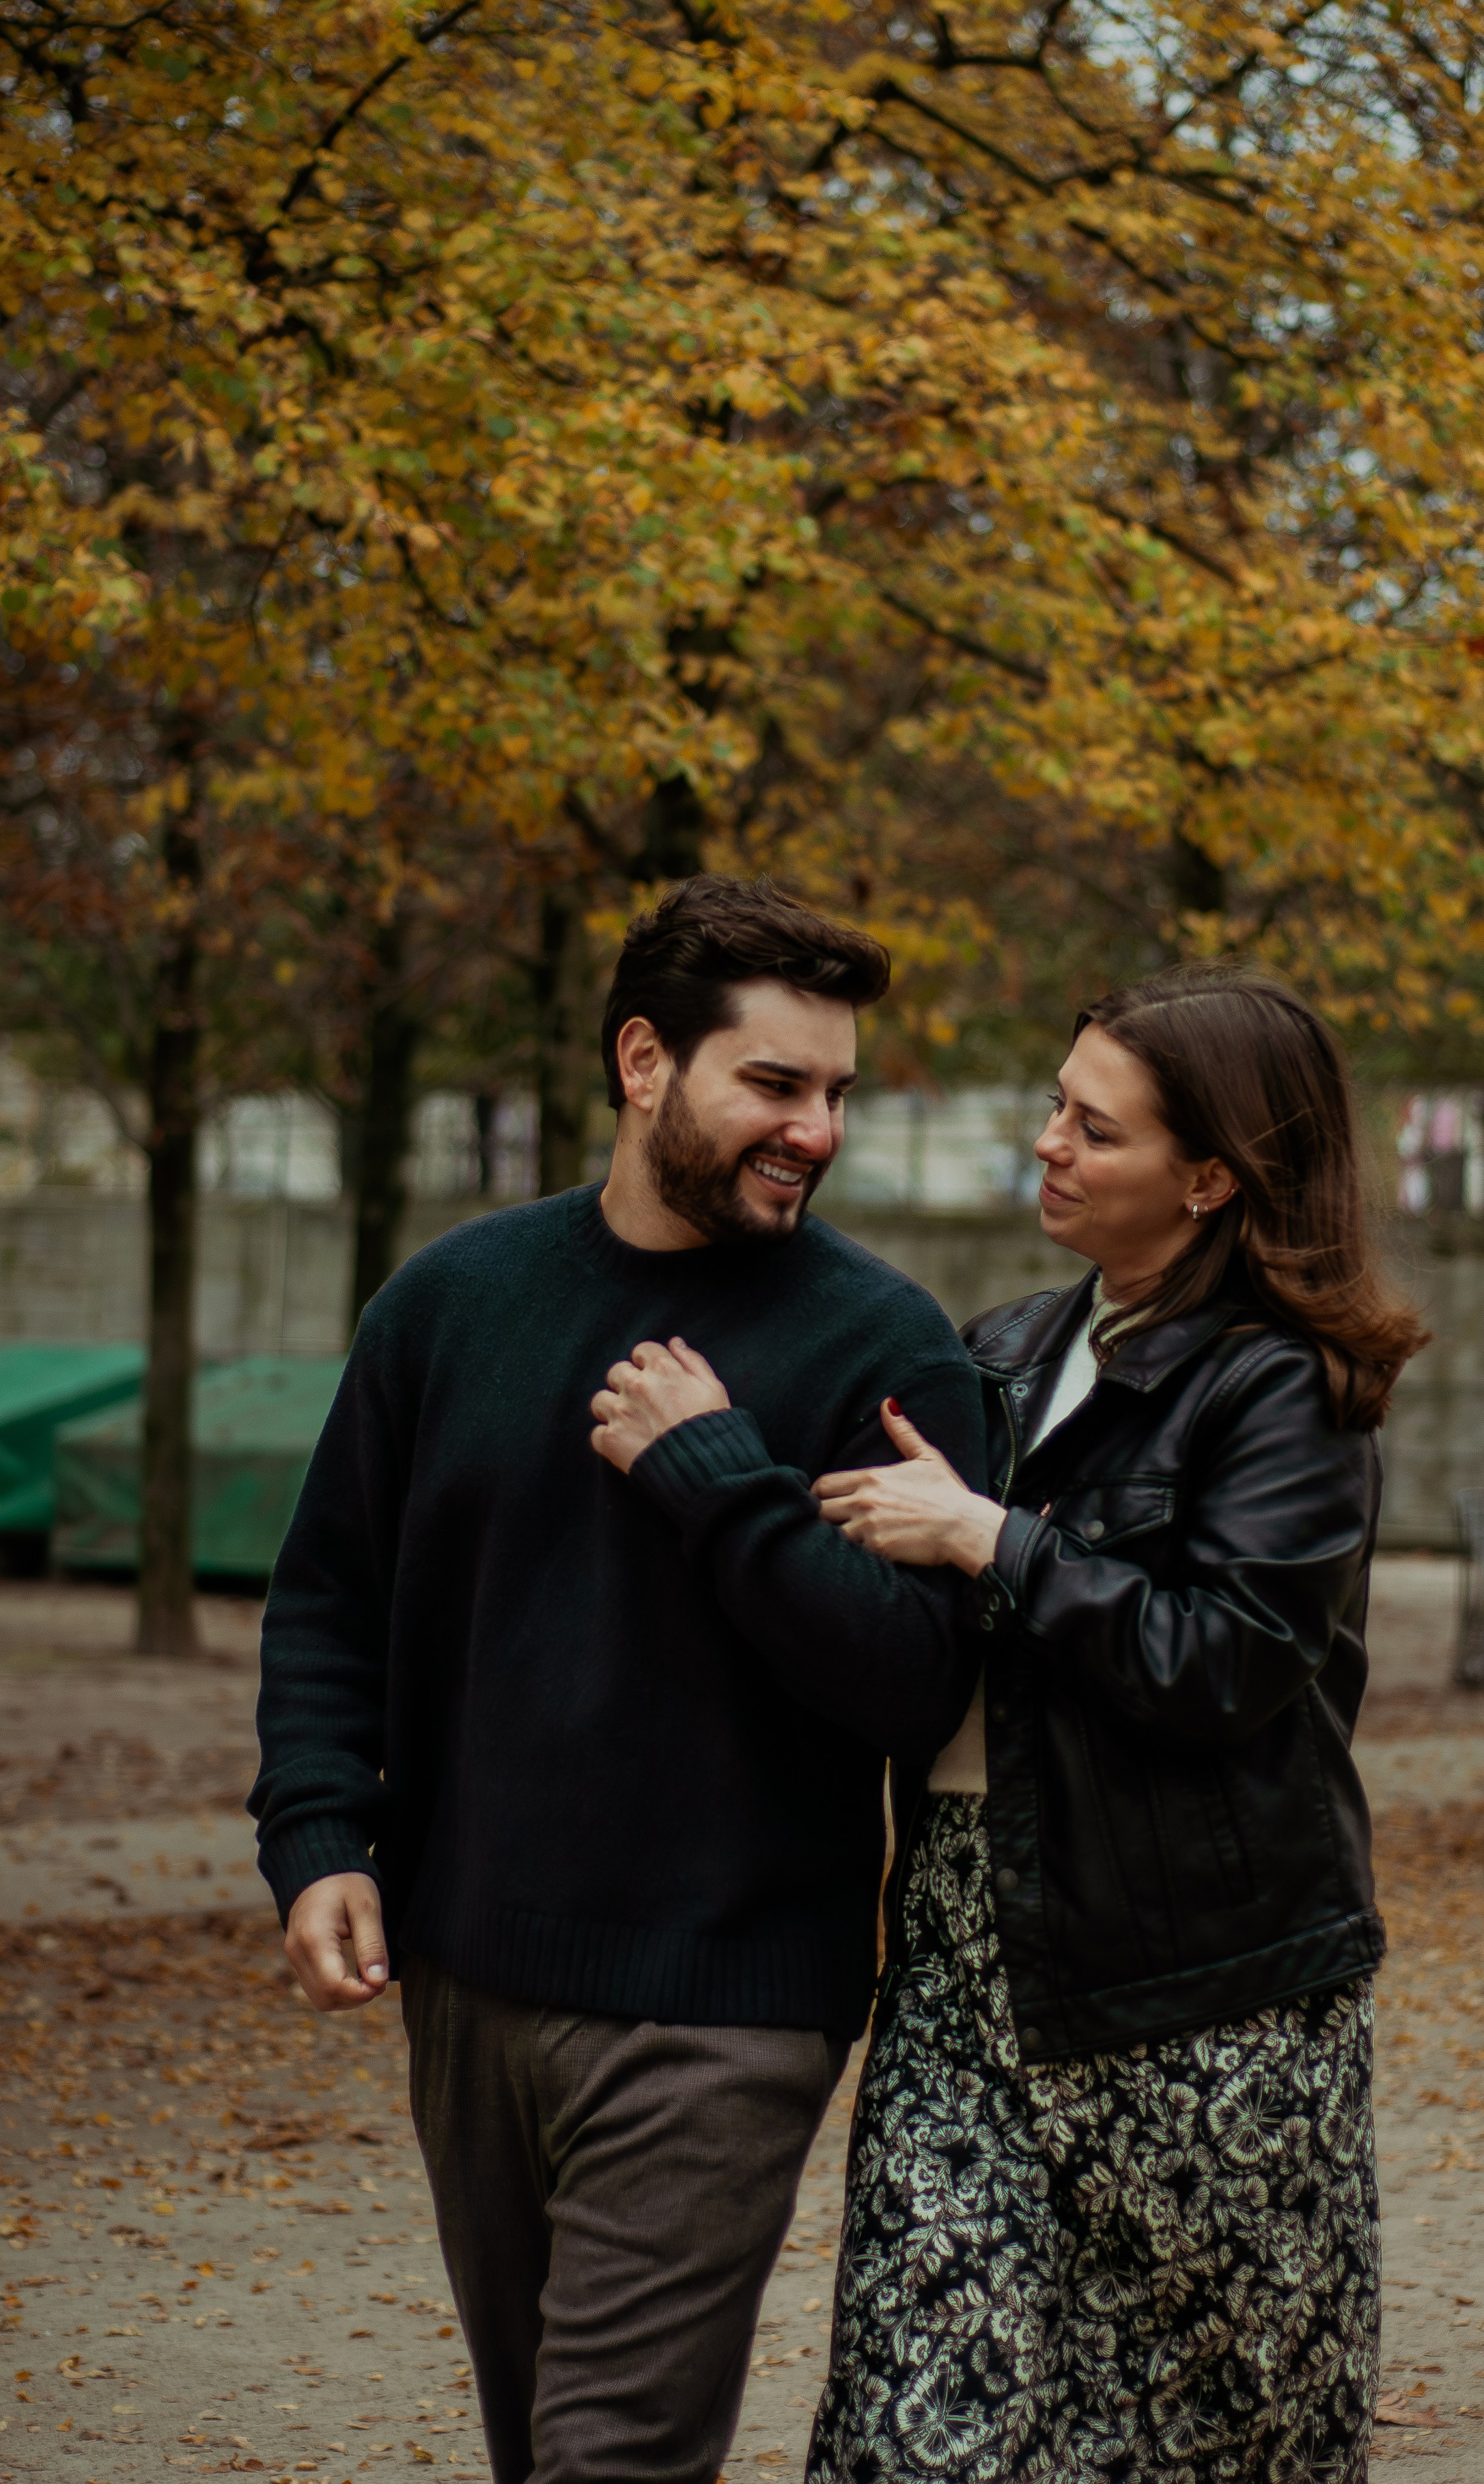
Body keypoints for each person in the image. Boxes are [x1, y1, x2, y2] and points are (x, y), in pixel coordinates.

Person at [249, 875, 988, 2484]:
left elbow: (915, 1686)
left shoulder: (885, 1347)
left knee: (609, 2460)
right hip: (469, 1977)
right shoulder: (451, 1302)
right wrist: (315, 1832)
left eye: (835, 1092)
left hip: (725, 2006)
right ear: (643, 1060)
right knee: (541, 2448)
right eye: (774, 1083)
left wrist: (716, 1477)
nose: (813, 1129)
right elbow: (327, 1599)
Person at [804, 966, 1429, 2484]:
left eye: (1096, 1127)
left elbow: (1227, 1660)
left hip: (1207, 1983)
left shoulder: (1284, 1385)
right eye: (1055, 1107)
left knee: (1207, 2444)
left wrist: (990, 1540)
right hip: (964, 1946)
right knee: (910, 2435)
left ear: (1209, 1177)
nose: (1048, 1143)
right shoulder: (999, 1350)